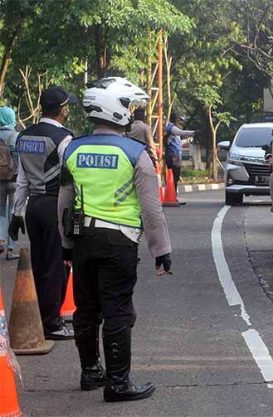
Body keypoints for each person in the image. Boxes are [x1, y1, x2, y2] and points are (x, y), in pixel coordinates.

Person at [58, 77, 172, 401]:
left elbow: (64, 203)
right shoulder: (136, 154)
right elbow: (151, 210)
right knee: (117, 309)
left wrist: (66, 243)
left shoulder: (73, 149)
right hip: (119, 240)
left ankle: (90, 371)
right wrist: (161, 250)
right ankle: (118, 384)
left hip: (82, 239)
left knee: (86, 308)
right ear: (118, 109)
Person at [8, 86, 77, 340]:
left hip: (33, 207)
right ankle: (52, 323)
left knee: (39, 264)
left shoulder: (24, 136)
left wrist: (17, 212)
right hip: (55, 206)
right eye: (67, 106)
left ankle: (42, 316)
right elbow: (71, 179)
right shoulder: (64, 139)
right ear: (62, 110)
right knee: (57, 264)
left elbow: (23, 177)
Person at [0, 106, 20, 259]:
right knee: (13, 212)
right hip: (14, 180)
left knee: (0, 212)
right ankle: (11, 250)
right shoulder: (17, 136)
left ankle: (0, 240)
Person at [164, 113, 195, 197]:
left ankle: (173, 196)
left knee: (174, 177)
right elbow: (181, 132)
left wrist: (187, 141)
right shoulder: (172, 128)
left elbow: (177, 143)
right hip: (174, 156)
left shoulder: (171, 129)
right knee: (174, 177)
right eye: (179, 120)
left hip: (173, 155)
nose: (180, 123)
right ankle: (172, 197)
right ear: (175, 120)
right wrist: (193, 132)